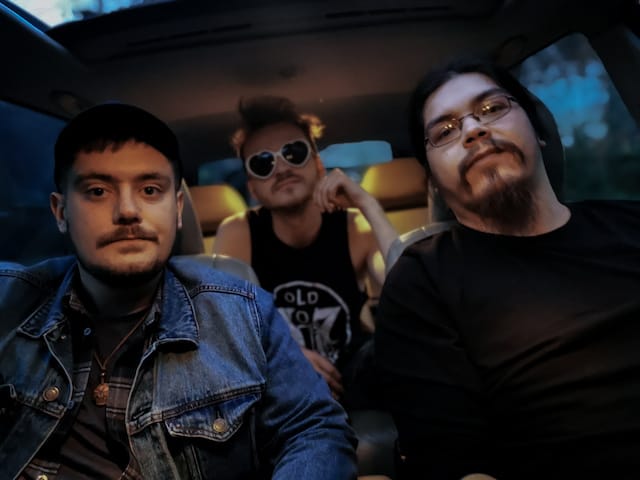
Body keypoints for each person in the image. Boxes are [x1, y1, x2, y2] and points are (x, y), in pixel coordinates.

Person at [0, 103, 358, 480]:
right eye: (98, 191)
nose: (127, 211)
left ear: (178, 208)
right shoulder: (8, 301)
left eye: (150, 189)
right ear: (60, 212)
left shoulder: (245, 314)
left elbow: (316, 430)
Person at [374, 58, 640, 480]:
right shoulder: (421, 281)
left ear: (539, 129)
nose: (473, 130)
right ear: (433, 181)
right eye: (444, 132)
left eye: (493, 108)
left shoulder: (631, 225)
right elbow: (455, 466)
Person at [214, 96, 398, 407]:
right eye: (262, 163)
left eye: (294, 152)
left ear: (318, 164)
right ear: (252, 187)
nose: (282, 168)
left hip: (354, 373)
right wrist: (288, 358)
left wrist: (367, 203)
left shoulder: (355, 226)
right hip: (278, 382)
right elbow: (227, 329)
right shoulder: (238, 233)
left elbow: (411, 288)